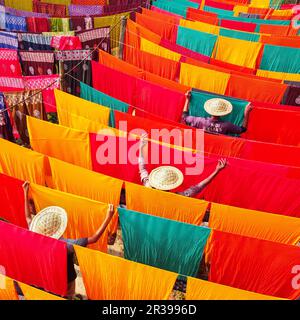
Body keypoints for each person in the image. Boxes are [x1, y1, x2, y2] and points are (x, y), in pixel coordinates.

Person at [22, 181, 115, 299]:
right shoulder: (66, 245)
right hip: (67, 279)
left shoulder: (36, 236)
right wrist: (108, 217)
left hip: (47, 276)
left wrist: (25, 192)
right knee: (68, 296)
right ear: (59, 226)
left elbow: (28, 217)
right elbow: (94, 238)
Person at [138, 134, 227, 197]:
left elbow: (142, 168)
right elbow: (198, 187)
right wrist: (217, 171)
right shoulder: (176, 197)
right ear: (172, 184)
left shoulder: (148, 185)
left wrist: (142, 146)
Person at [182, 91, 253, 136]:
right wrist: (247, 113)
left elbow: (184, 117)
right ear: (223, 113)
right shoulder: (227, 126)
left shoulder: (200, 121)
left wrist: (187, 100)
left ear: (209, 110)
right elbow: (242, 129)